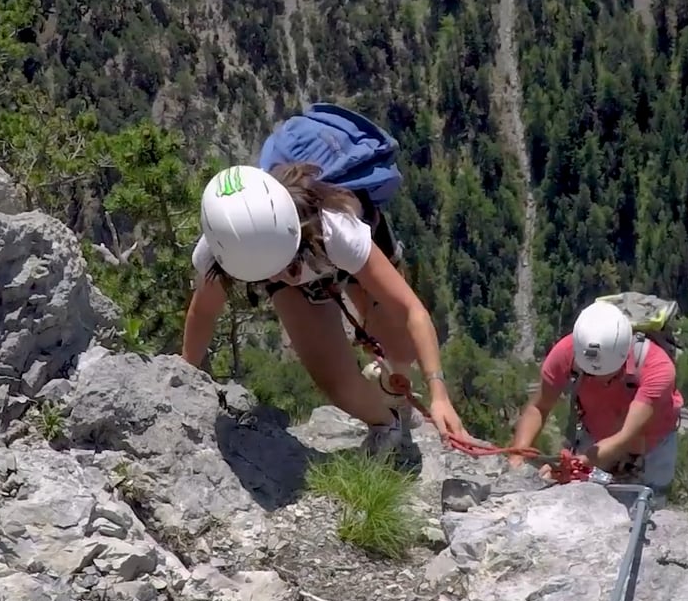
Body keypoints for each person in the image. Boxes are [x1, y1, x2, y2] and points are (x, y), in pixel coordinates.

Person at [178, 162, 470, 460]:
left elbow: (411, 311)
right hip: (308, 253)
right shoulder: (222, 249)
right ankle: (387, 423)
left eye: (285, 266)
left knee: (401, 348)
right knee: (337, 384)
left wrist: (439, 393)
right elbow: (203, 314)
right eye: (267, 274)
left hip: (333, 246)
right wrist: (186, 377)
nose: (279, 277)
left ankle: (393, 382)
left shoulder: (336, 227)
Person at [507, 299, 684, 493]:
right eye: (590, 373)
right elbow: (539, 407)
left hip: (653, 445)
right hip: (596, 436)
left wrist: (582, 462)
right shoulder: (567, 353)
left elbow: (626, 435)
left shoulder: (657, 367)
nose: (598, 379)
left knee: (649, 501)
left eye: (609, 374)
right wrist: (518, 454)